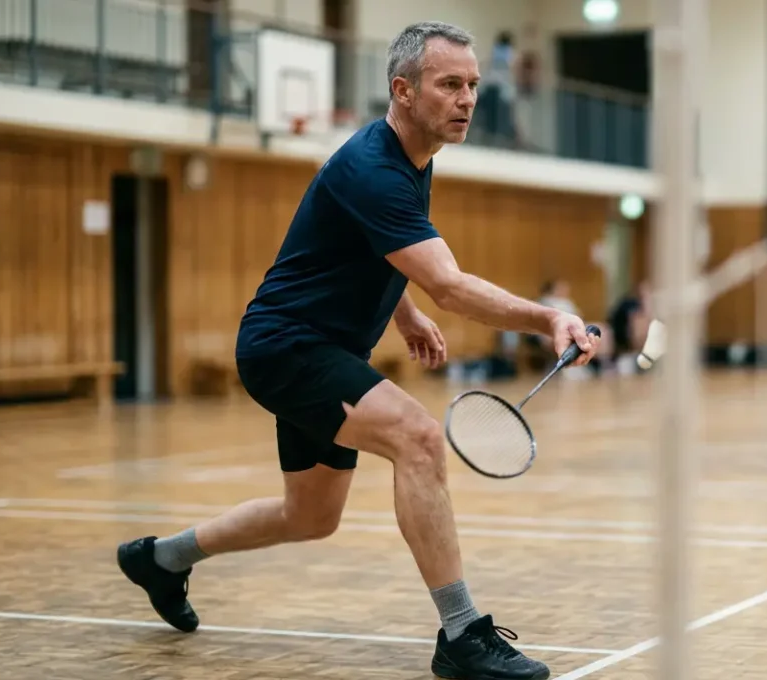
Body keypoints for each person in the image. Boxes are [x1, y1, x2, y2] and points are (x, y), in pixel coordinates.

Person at [115, 21, 596, 680]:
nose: (466, 99)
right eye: (448, 84)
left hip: (321, 348)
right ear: (403, 90)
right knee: (418, 438)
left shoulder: (413, 158)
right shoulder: (374, 168)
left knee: (310, 516)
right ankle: (462, 634)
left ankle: (160, 560)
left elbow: (372, 247)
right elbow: (451, 287)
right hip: (288, 348)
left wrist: (404, 312)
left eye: (472, 85)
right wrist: (549, 318)